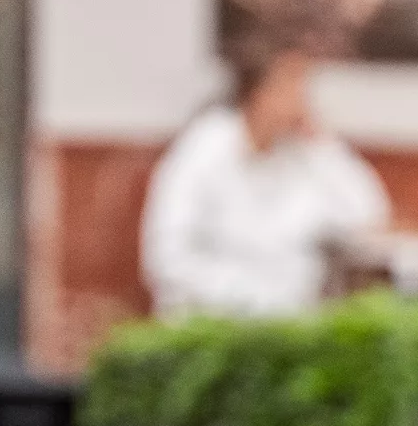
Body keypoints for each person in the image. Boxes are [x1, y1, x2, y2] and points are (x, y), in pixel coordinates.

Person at [139, 43, 389, 318]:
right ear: (258, 93)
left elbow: (368, 217)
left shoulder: (304, 154)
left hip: (290, 327)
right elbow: (166, 257)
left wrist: (324, 146)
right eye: (290, 85)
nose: (301, 100)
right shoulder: (205, 148)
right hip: (213, 325)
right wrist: (251, 300)